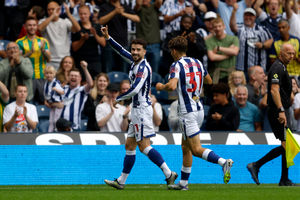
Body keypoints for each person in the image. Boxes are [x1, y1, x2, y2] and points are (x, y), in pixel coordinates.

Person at [101, 26, 177, 189]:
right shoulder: (135, 62)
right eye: (133, 49)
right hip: (136, 111)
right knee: (129, 145)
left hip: (141, 110)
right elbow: (121, 51)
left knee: (144, 146)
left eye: (138, 50)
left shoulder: (143, 67)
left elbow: (135, 88)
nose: (134, 52)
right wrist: (108, 37)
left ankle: (169, 173)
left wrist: (118, 99)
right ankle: (121, 181)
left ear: (144, 52)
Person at [156, 36, 234, 190]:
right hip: (199, 109)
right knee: (185, 147)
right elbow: (210, 81)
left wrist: (160, 86)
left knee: (196, 149)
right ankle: (183, 184)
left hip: (187, 111)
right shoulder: (197, 62)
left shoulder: (176, 65)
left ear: (173, 50)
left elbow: (171, 87)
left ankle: (223, 162)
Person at [247, 43, 296, 186]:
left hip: (283, 109)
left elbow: (281, 89)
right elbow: (274, 91)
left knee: (287, 144)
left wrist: (289, 95)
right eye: (289, 53)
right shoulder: (276, 68)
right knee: (287, 145)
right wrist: (281, 110)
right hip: (277, 111)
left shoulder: (282, 67)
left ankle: (284, 179)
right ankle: (256, 165)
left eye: (293, 53)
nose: (291, 56)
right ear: (281, 53)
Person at [16, 17, 51, 105]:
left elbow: (49, 59)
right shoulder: (19, 42)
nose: (32, 27)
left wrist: (43, 50)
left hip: (42, 76)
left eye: (34, 25)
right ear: (25, 27)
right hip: (27, 78)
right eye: (30, 25)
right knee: (27, 104)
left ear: (37, 26)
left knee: (44, 103)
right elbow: (18, 60)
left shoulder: (43, 41)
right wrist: (29, 53)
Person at [99, 0, 140, 72]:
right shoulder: (104, 7)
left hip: (123, 44)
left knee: (124, 70)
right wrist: (115, 12)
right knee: (108, 70)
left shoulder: (124, 6)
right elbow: (101, 21)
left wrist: (123, 13)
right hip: (109, 44)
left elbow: (137, 19)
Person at [38, 1, 81, 69]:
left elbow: (77, 29)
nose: (51, 11)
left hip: (64, 60)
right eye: (48, 9)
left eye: (53, 9)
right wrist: (52, 16)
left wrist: (69, 14)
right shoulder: (43, 21)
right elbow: (39, 28)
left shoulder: (65, 21)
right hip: (49, 60)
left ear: (58, 9)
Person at [230, 7, 273, 72]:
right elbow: (232, 26)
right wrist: (233, 11)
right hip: (242, 68)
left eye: (251, 16)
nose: (248, 17)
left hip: (259, 67)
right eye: (246, 15)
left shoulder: (262, 29)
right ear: (243, 16)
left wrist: (262, 45)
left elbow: (271, 40)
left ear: (255, 17)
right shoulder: (240, 28)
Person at [71, 5, 106, 79]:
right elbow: (74, 48)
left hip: (95, 60)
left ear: (90, 14)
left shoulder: (96, 26)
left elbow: (103, 43)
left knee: (96, 81)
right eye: (81, 14)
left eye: (85, 14)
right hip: (81, 60)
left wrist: (95, 35)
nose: (83, 16)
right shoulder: (76, 27)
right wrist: (82, 39)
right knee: (83, 82)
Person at [60, 61, 93, 131]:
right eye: (71, 75)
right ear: (68, 78)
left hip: (74, 128)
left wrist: (85, 69)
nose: (73, 77)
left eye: (76, 76)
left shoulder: (81, 90)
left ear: (80, 79)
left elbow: (90, 84)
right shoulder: (63, 89)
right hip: (59, 128)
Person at [205, 17, 239, 83]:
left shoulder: (233, 39)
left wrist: (219, 48)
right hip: (216, 74)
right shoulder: (209, 41)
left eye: (219, 26)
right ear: (213, 28)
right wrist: (228, 54)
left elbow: (235, 52)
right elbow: (212, 57)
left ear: (224, 26)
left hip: (231, 74)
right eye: (215, 27)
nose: (217, 29)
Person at [134, 0, 162, 73]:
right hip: (141, 46)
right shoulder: (138, 8)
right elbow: (137, 4)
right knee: (141, 71)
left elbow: (159, 2)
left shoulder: (155, 7)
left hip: (155, 44)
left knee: (155, 71)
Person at [43, 66, 64, 132]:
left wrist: (56, 89)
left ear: (54, 74)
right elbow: (46, 93)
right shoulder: (46, 83)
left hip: (58, 104)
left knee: (56, 120)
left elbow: (63, 92)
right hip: (51, 103)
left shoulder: (56, 83)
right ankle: (50, 131)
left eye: (51, 73)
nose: (49, 75)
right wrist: (46, 100)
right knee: (51, 120)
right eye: (47, 73)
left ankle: (56, 131)